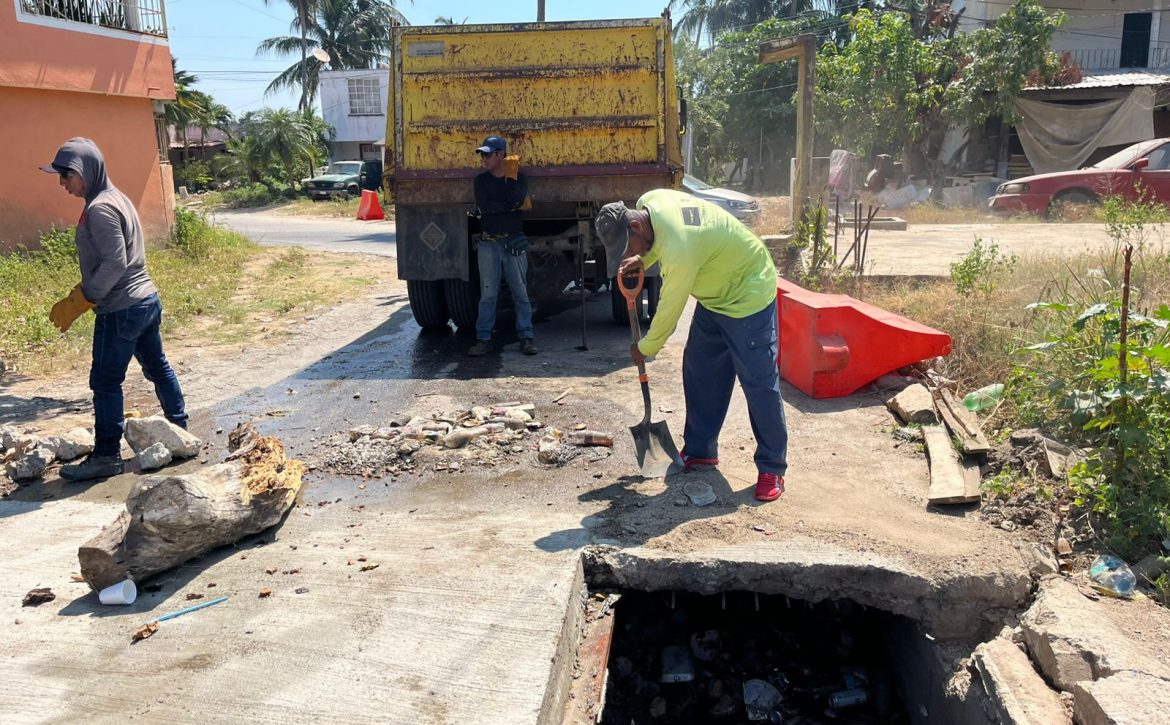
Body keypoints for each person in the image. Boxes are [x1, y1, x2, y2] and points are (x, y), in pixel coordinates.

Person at [595, 190, 788, 501]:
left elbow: (669, 311)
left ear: (635, 226)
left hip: (747, 291)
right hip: (715, 294)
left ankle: (772, 467)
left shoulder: (679, 249)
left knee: (759, 382)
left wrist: (645, 347)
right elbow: (658, 242)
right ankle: (701, 449)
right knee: (701, 370)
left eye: (628, 246)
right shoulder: (649, 203)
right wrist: (644, 257)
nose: (628, 253)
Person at [40, 137, 188, 481]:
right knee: (157, 367)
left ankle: (106, 456)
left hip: (121, 308)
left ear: (85, 171)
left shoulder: (100, 208)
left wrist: (85, 297)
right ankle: (180, 430)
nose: (62, 183)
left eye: (66, 175)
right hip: (144, 301)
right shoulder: (115, 197)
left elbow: (115, 262)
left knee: (105, 382)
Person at [468, 135, 537, 356]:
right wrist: (507, 206)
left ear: (500, 154)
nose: (484, 159)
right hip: (489, 243)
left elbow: (516, 202)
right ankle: (483, 338)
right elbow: (485, 206)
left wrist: (505, 200)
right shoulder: (480, 181)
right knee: (488, 294)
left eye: (487, 155)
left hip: (513, 242)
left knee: (521, 293)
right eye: (482, 155)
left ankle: (526, 337)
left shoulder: (518, 178)